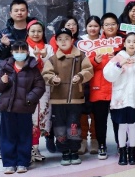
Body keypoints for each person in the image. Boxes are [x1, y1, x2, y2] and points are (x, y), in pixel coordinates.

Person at [42, 28, 94, 166]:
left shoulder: (81, 56)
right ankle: (64, 151)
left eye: (66, 38)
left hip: (75, 99)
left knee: (74, 125)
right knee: (59, 126)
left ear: (72, 40)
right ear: (56, 42)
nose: (63, 41)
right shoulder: (52, 59)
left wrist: (81, 76)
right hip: (58, 99)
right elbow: (46, 73)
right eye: (60, 39)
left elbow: (89, 70)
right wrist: (53, 79)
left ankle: (74, 150)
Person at [0, 41, 45, 174]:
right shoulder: (6, 68)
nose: (20, 54)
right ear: (12, 52)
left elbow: (40, 87)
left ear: (27, 52)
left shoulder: (33, 68)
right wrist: (3, 82)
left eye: (23, 51)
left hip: (24, 109)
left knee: (24, 136)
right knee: (8, 136)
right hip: (8, 109)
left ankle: (23, 162)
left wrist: (29, 99)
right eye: (17, 51)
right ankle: (9, 163)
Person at [104, 32, 135, 166]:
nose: (131, 44)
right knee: (122, 125)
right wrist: (120, 65)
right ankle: (122, 152)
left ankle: (132, 151)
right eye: (129, 41)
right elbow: (108, 75)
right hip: (121, 98)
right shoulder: (118, 57)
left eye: (134, 42)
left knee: (133, 125)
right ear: (124, 43)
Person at [88, 12, 123, 159]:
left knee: (118, 119)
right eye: (107, 24)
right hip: (100, 87)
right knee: (100, 119)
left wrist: (118, 59)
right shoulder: (95, 44)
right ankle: (102, 145)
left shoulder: (123, 43)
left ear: (117, 26)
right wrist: (95, 60)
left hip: (118, 87)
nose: (110, 27)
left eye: (113, 24)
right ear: (102, 27)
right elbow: (87, 66)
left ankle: (121, 144)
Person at [25, 19, 53, 162]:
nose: (36, 34)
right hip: (28, 87)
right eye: (33, 31)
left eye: (39, 31)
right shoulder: (23, 47)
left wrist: (43, 56)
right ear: (28, 32)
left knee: (41, 116)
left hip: (45, 86)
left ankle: (35, 148)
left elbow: (52, 66)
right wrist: (36, 57)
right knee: (29, 117)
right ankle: (27, 148)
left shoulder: (48, 48)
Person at [79, 16, 101, 156]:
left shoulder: (104, 42)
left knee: (95, 112)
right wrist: (93, 61)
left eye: (96, 26)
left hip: (98, 81)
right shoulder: (80, 42)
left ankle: (94, 139)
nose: (93, 29)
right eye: (90, 26)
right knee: (82, 111)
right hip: (83, 82)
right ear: (86, 27)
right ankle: (82, 140)